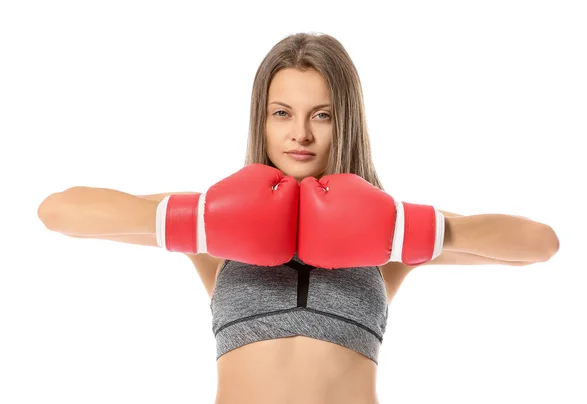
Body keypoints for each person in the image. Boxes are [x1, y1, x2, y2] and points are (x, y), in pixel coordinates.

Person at [37, 32, 560, 404]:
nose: (300, 135)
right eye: (282, 112)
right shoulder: (211, 220)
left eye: (322, 115)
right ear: (261, 121)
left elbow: (541, 245)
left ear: (345, 120)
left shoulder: (388, 230)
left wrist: (406, 228)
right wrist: (198, 217)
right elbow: (58, 212)